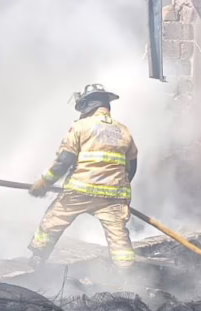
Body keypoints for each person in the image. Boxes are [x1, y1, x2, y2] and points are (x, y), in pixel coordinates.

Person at [26, 84, 138, 269]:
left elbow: (64, 161)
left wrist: (44, 182)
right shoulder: (124, 131)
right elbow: (131, 167)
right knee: (119, 238)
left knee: (53, 220)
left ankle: (37, 260)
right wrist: (114, 189)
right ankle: (126, 275)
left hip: (80, 190)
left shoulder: (80, 127)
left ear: (86, 105)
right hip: (114, 196)